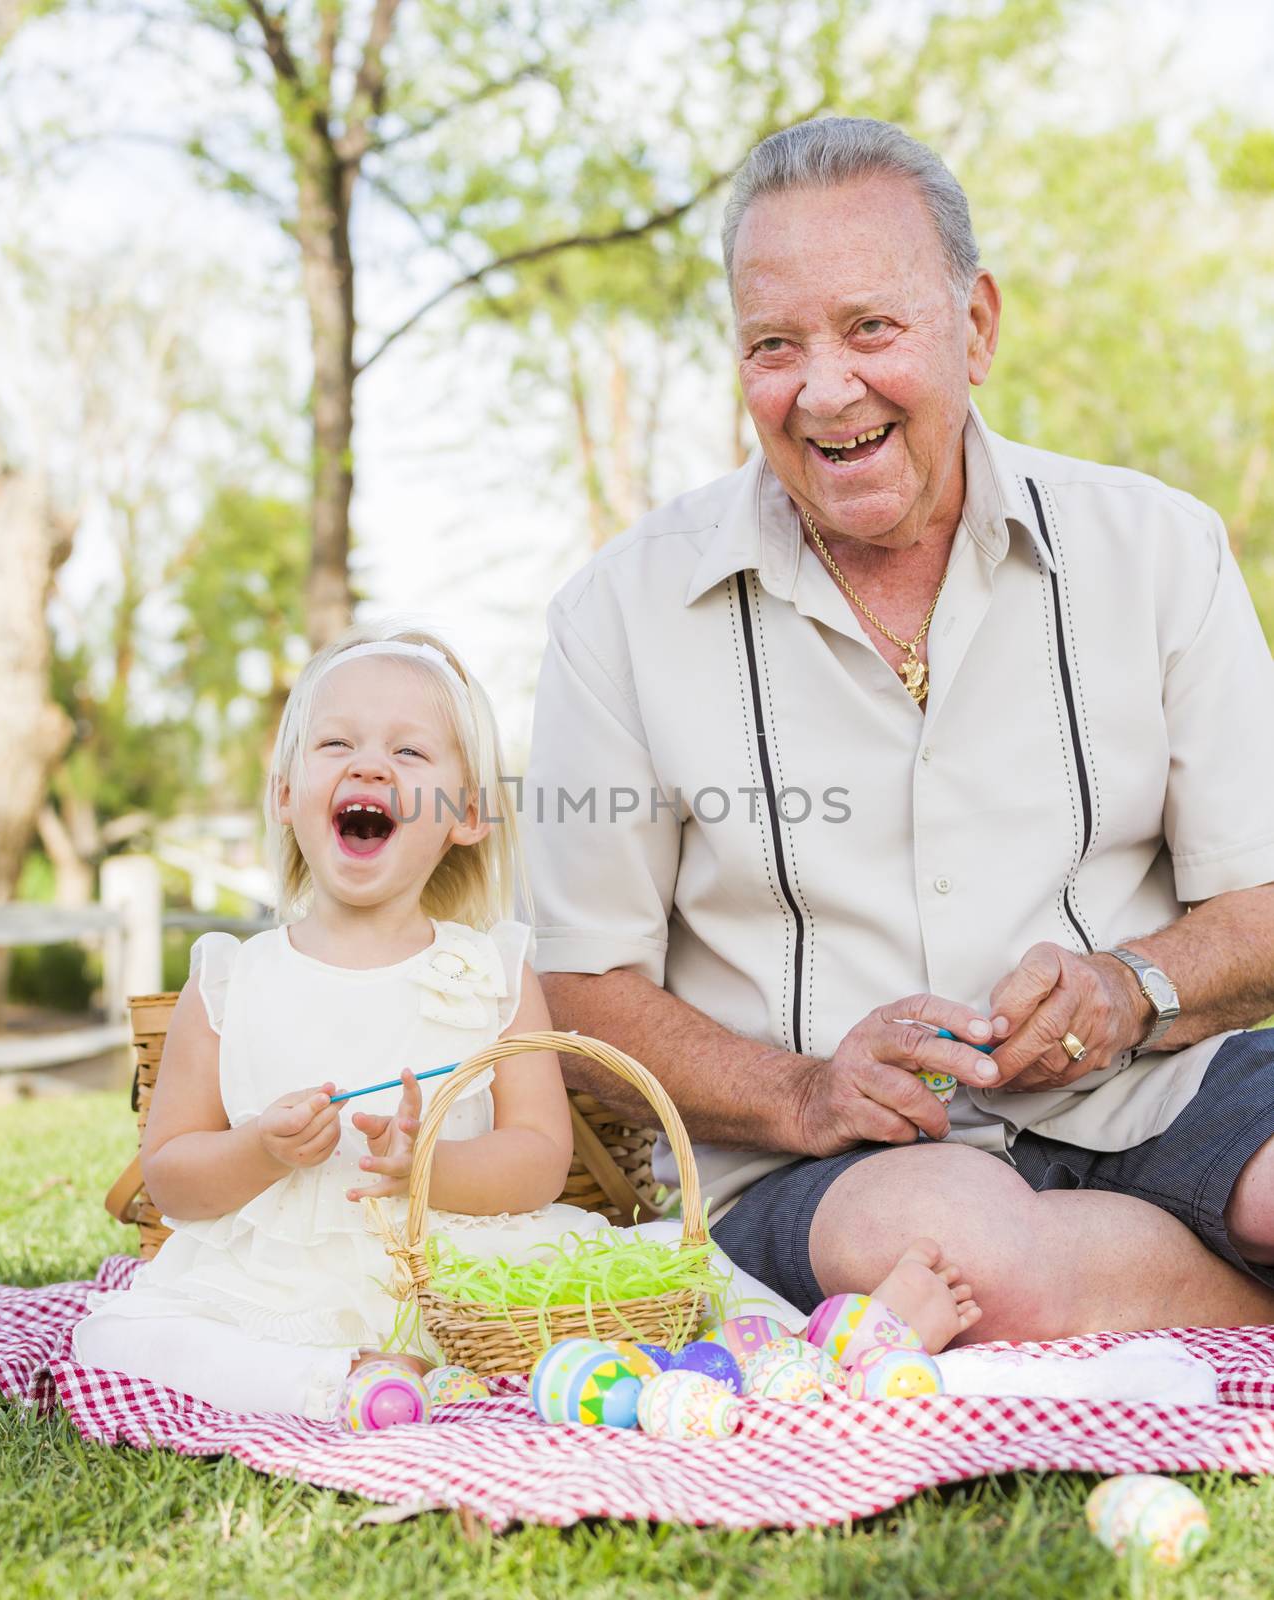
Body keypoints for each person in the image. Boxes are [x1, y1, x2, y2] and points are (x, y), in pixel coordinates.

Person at [522, 116, 1274, 1343]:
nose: (825, 390)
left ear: (973, 327)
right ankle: (1180, 1300)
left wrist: (1127, 987)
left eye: (872, 328)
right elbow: (581, 993)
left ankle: (1128, 1299)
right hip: (821, 1169)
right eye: (775, 345)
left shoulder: (1159, 549)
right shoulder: (616, 614)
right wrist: (808, 1090)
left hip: (1151, 1089)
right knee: (965, 1260)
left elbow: (1263, 907)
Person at [73, 621, 978, 1421]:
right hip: (280, 1280)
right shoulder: (232, 979)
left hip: (470, 1273)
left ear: (465, 815)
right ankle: (336, 1384)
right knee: (116, 1335)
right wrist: (261, 1150)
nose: (369, 765)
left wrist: (427, 1164)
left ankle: (835, 1343)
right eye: (335, 742)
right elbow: (174, 1179)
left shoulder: (491, 970)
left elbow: (539, 1159)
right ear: (283, 795)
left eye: (411, 754)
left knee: (677, 1267)